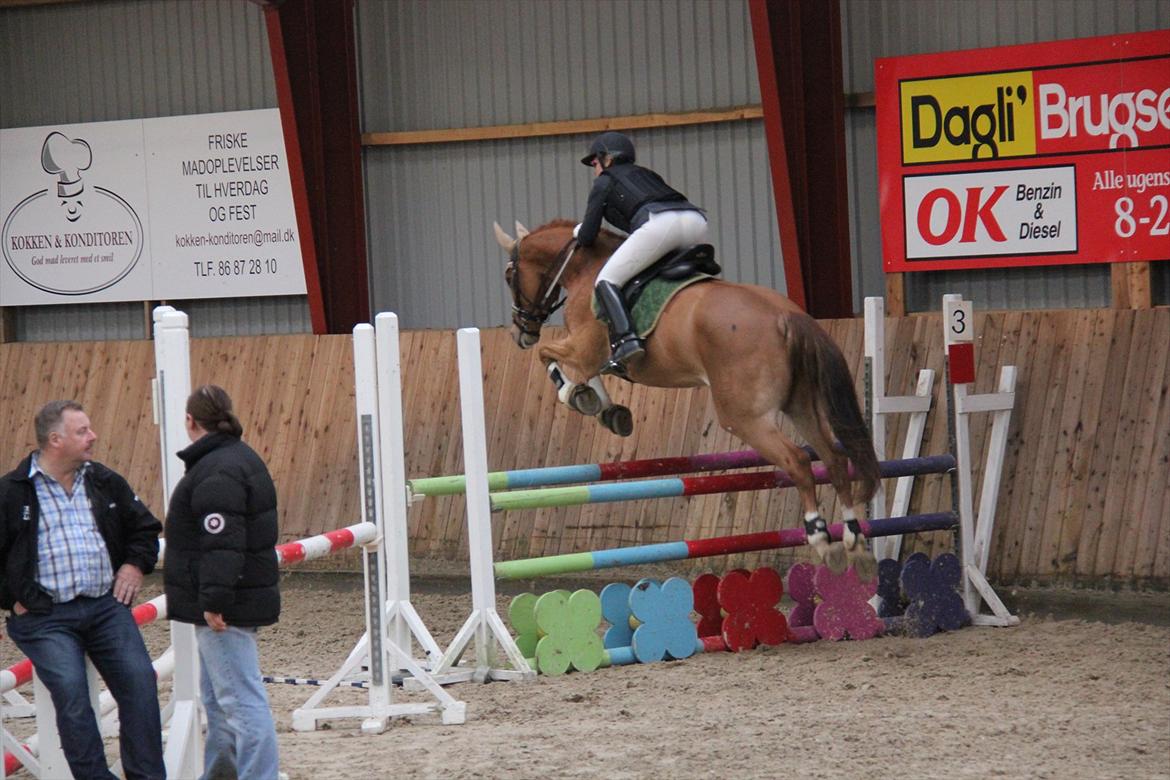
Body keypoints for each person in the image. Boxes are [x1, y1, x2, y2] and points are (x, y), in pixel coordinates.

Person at [0, 400, 165, 780]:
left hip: (104, 607)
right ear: (55, 440)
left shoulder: (105, 480)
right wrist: (12, 598)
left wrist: (133, 564)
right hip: (45, 617)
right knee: (73, 696)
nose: (93, 437)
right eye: (82, 431)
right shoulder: (11, 492)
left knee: (141, 683)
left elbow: (145, 528)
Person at [163, 384, 280, 780]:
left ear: (190, 421)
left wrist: (213, 599)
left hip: (225, 604)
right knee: (218, 700)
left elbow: (221, 543)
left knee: (241, 702)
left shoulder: (216, 469)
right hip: (239, 594)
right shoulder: (237, 459)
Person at [575, 130, 709, 376]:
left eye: (595, 161)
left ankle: (627, 341)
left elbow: (587, 237)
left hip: (660, 224)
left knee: (606, 281)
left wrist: (578, 231)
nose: (594, 167)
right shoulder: (647, 174)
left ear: (608, 158)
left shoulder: (604, 181)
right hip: (695, 221)